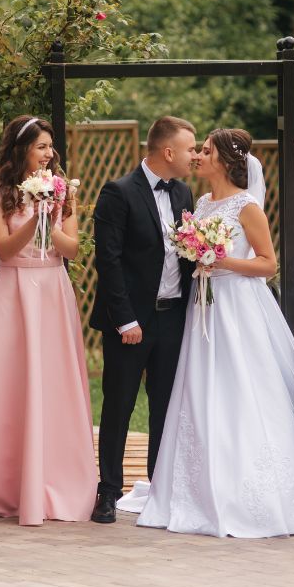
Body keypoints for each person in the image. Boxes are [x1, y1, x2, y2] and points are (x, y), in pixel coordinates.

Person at [136, 128, 294, 537]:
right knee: (202, 391)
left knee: (246, 390)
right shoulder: (204, 203)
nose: (198, 157)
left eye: (205, 151)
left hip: (240, 309)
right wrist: (199, 256)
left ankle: (263, 487)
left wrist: (220, 260)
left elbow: (268, 265)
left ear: (225, 161)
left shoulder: (248, 207)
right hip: (204, 308)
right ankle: (199, 485)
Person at [0, 116, 95, 524]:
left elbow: (71, 249)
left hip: (52, 290)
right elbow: (3, 249)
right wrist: (34, 219)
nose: (49, 154)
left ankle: (57, 484)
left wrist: (49, 218)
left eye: (51, 147)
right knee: (11, 381)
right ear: (22, 150)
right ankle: (4, 487)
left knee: (55, 382)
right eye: (41, 147)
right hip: (14, 289)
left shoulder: (62, 191)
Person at [89, 116, 197, 524]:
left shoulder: (184, 192)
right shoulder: (118, 192)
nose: (195, 155)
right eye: (190, 148)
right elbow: (109, 260)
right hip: (131, 322)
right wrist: (125, 320)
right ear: (168, 152)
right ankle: (108, 492)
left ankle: (160, 487)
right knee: (118, 405)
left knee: (166, 406)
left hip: (173, 318)